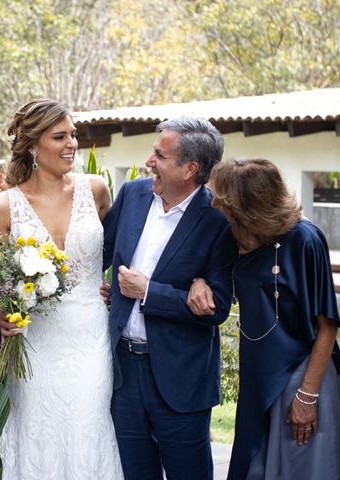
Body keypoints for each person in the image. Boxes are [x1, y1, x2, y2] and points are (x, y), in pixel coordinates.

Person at [0, 99, 123, 479]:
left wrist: (114, 288)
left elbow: (116, 252)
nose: (72, 144)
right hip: (35, 345)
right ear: (33, 144)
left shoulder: (96, 190)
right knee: (38, 432)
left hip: (91, 339)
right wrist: (2, 312)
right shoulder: (5, 206)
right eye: (59, 136)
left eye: (74, 136)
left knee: (89, 427)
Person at [102, 117, 237, 480]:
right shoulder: (132, 194)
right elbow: (101, 255)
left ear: (190, 169)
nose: (149, 161)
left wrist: (148, 291)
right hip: (123, 373)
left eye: (160, 155)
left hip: (180, 380)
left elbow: (217, 308)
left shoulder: (219, 220)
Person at [192, 158, 340, 480]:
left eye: (223, 197)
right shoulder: (235, 234)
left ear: (248, 203)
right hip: (258, 375)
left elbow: (327, 325)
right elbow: (215, 278)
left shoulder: (305, 239)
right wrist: (199, 281)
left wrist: (307, 395)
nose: (214, 202)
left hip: (300, 376)